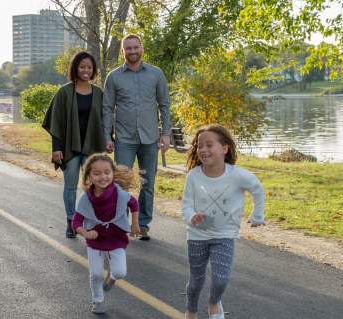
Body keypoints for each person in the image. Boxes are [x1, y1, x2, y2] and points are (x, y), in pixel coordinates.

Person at [181, 124, 265, 319]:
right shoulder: (194, 176)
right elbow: (186, 205)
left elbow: (257, 189)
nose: (203, 149)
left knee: (221, 280)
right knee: (196, 282)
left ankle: (213, 302)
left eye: (209, 145)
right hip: (197, 234)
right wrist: (192, 217)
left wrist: (257, 215)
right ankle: (191, 310)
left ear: (225, 149)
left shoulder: (237, 175)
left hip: (225, 235)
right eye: (200, 146)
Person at [102, 34, 172, 240]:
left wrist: (166, 134)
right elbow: (107, 108)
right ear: (123, 51)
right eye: (128, 48)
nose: (132, 51)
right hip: (124, 139)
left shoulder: (156, 74)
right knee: (121, 183)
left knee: (147, 182)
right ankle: (121, 224)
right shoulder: (114, 77)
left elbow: (164, 105)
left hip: (150, 139)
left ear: (141, 48)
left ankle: (142, 224)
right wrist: (108, 135)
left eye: (135, 47)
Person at [42, 51, 106, 238]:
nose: (86, 70)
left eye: (89, 67)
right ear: (75, 68)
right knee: (70, 186)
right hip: (69, 147)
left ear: (93, 69)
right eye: (82, 67)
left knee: (95, 187)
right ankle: (71, 221)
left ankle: (92, 222)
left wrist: (109, 139)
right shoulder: (64, 92)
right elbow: (55, 121)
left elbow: (104, 120)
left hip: (92, 147)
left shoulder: (98, 93)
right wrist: (56, 148)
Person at [71, 153, 140, 314]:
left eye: (107, 172)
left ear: (113, 173)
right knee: (95, 274)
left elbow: (134, 203)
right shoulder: (85, 199)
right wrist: (86, 234)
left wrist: (135, 224)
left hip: (116, 239)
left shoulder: (120, 194)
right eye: (97, 173)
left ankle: (112, 277)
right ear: (89, 175)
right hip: (95, 242)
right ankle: (98, 300)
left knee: (120, 272)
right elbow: (76, 222)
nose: (103, 177)